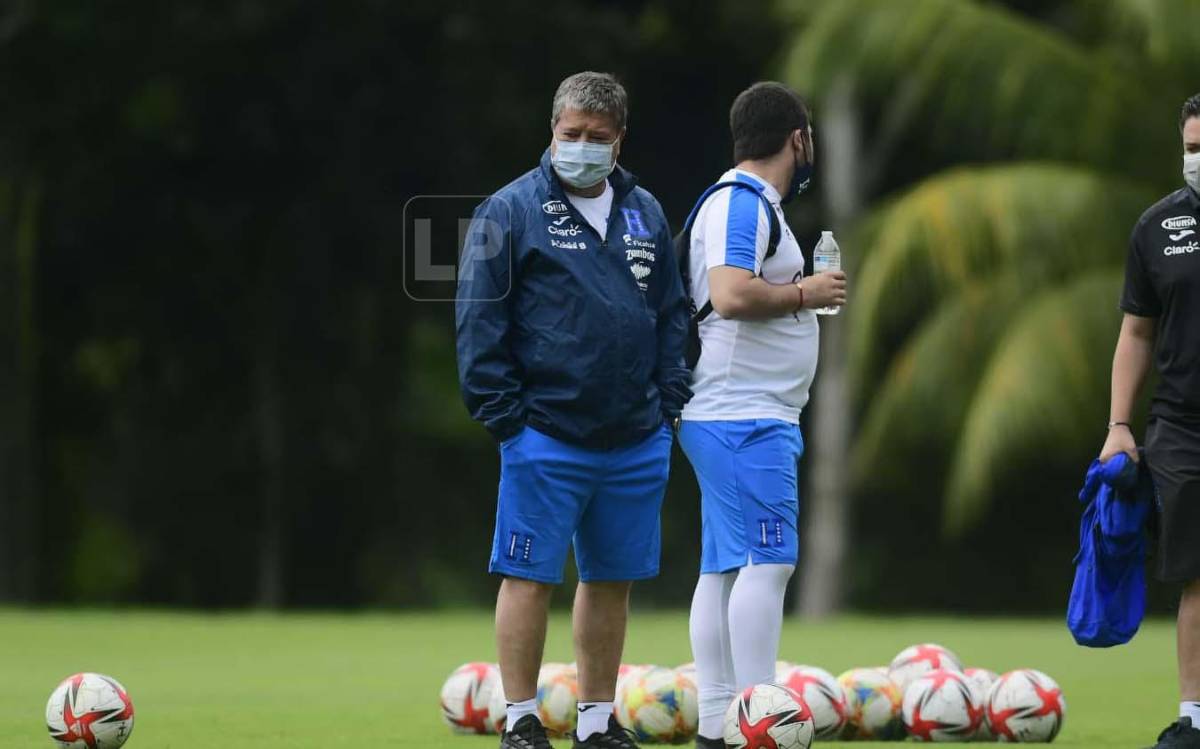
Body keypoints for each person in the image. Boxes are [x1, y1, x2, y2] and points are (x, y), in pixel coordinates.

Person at [455, 71, 691, 749]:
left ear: (619, 141)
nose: (583, 146)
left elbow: (671, 315)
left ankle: (595, 720)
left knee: (611, 580)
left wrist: (667, 401)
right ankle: (522, 718)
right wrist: (507, 419)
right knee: (528, 576)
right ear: (551, 131)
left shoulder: (645, 209)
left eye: (597, 137)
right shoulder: (510, 210)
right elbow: (479, 320)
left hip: (636, 436)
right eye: (572, 134)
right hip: (544, 434)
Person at [676, 81, 846, 748]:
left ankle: (721, 719)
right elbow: (732, 291)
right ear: (797, 138)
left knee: (725, 564)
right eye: (809, 137)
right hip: (743, 413)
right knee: (770, 561)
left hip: (731, 411)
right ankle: (758, 718)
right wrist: (808, 290)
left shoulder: (736, 201)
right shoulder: (746, 202)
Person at [1101, 93, 1200, 749]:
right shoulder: (1157, 227)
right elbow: (1136, 331)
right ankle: (1196, 717)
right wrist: (1118, 424)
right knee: (1198, 569)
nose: (1199, 158)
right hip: (1184, 426)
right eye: (1193, 147)